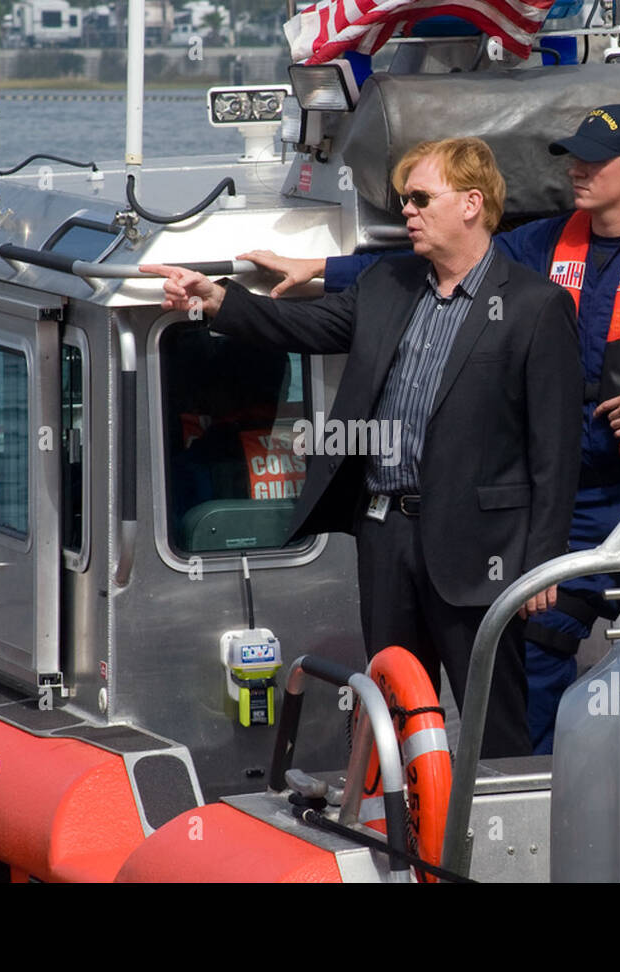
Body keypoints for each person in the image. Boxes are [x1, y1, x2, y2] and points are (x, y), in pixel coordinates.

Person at [242, 105, 620, 753]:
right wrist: (322, 272)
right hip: (573, 501)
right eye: (570, 157)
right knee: (537, 649)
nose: (574, 170)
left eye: (591, 160)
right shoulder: (541, 244)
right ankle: (535, 804)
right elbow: (435, 267)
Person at [143, 137, 581, 757]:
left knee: (495, 719)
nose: (408, 211)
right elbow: (305, 326)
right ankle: (400, 835)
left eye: (422, 198)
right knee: (394, 706)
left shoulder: (536, 307)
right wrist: (215, 299)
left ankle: (500, 844)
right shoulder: (390, 282)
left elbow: (556, 449)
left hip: (483, 548)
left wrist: (543, 559)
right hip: (387, 534)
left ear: (472, 204)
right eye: (405, 200)